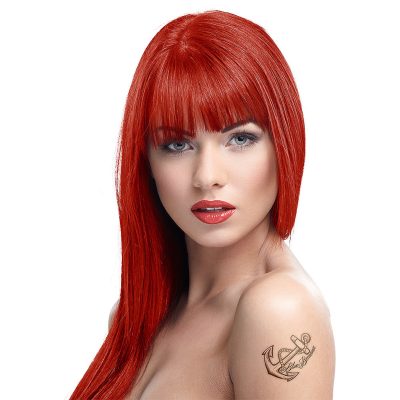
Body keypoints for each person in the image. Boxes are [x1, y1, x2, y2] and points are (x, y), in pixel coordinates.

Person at [70, 9, 335, 400]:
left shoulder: (279, 311)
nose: (207, 176)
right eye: (177, 144)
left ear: (285, 141)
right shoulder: (137, 319)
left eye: (240, 138)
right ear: (147, 163)